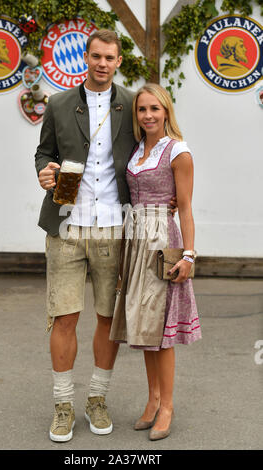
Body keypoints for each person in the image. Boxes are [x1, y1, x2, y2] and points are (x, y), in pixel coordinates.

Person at [34, 30, 177, 443]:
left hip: (116, 228)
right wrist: (45, 171)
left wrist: (164, 196)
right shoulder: (59, 103)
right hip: (65, 224)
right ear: (86, 56)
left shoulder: (132, 103)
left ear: (118, 61)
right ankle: (63, 404)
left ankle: (97, 398)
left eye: (109, 58)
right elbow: (45, 152)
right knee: (64, 316)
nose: (101, 63)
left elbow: (155, 144)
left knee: (106, 318)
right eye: (95, 56)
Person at [110, 83, 202, 441]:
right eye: (142, 110)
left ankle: (167, 406)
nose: (148, 115)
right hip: (135, 240)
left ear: (166, 112)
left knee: (161, 331)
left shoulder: (178, 151)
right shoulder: (137, 150)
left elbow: (187, 207)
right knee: (145, 327)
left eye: (154, 109)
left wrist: (190, 255)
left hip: (163, 241)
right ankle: (152, 400)